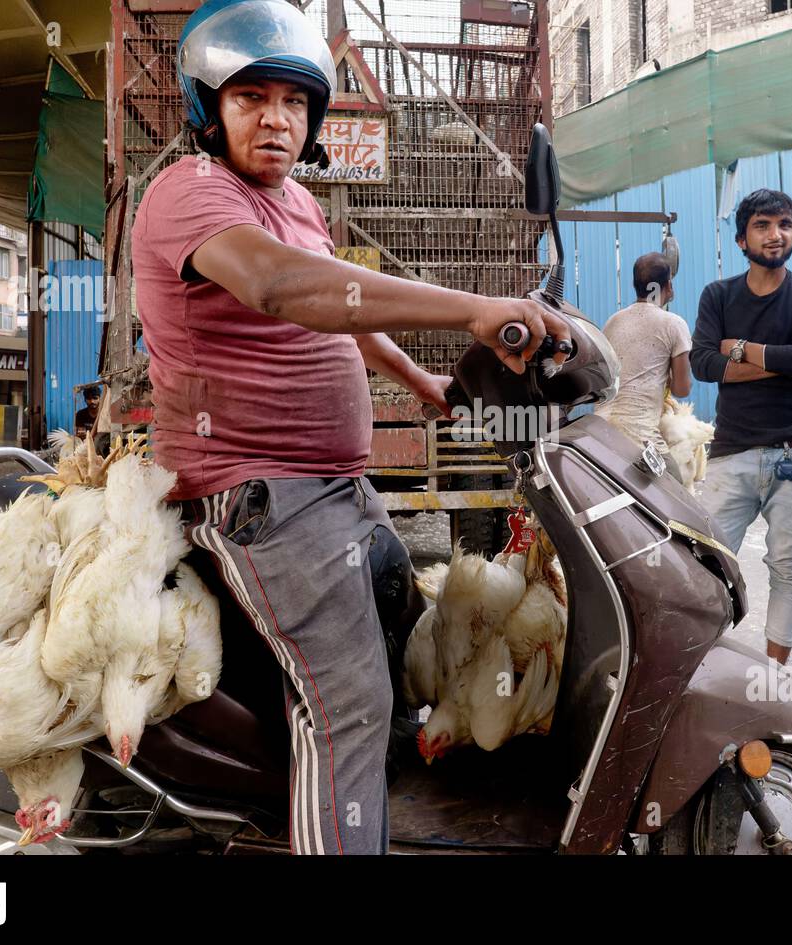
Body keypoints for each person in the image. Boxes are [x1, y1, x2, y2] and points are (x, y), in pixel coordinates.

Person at [130, 0, 569, 854]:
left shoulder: (294, 201)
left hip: (331, 488)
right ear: (207, 109)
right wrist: (476, 306)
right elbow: (284, 289)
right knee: (354, 702)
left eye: (294, 102)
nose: (276, 118)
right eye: (251, 97)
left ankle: (358, 799)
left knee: (407, 610)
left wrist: (423, 378)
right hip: (257, 496)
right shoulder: (191, 191)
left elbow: (340, 303)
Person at [690, 189, 792, 665]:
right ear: (741, 239)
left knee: (788, 570)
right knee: (707, 567)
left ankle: (773, 675)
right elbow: (703, 365)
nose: (776, 235)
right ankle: (703, 667)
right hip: (732, 452)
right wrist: (782, 361)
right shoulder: (719, 295)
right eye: (763, 225)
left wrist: (742, 348)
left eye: (785, 225)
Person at [593, 251, 692, 476]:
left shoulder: (613, 321)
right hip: (638, 436)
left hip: (599, 430)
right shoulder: (673, 324)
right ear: (668, 285)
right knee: (678, 485)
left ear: (634, 285)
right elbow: (682, 389)